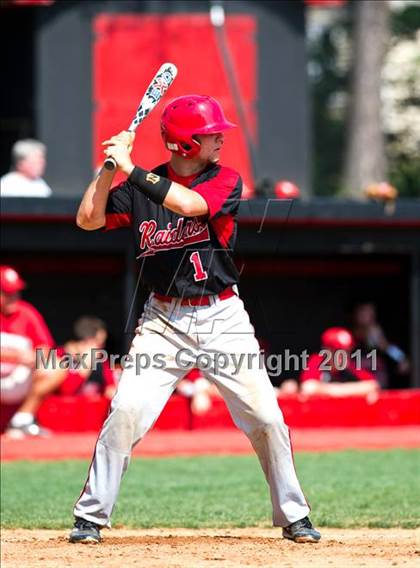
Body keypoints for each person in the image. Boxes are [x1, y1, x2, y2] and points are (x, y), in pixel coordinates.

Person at [69, 94, 320, 545]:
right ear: (185, 143)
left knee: (265, 416)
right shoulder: (137, 185)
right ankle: (90, 517)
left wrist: (131, 167)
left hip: (222, 315)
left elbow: (188, 206)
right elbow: (87, 220)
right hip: (162, 320)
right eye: (210, 134)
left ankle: (294, 515)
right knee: (125, 410)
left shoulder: (225, 178)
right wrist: (110, 166)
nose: (220, 138)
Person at [0, 265, 55, 436]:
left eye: (15, 292)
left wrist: (35, 356)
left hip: (19, 378)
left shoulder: (26, 312)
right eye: (7, 293)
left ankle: (21, 420)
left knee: (54, 366)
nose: (13, 297)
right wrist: (15, 356)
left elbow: (46, 348)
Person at [300, 327, 380, 398]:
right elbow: (308, 388)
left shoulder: (349, 365)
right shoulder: (317, 360)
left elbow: (372, 385)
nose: (344, 356)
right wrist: (350, 390)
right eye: (338, 351)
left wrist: (334, 390)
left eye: (347, 351)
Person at [54, 316, 117, 399]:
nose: (101, 348)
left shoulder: (101, 360)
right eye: (99, 344)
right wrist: (86, 364)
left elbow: (111, 388)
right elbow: (66, 391)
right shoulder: (57, 355)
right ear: (86, 341)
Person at [352, 302, 410, 388]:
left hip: (375, 379)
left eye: (369, 313)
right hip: (355, 377)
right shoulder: (350, 333)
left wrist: (400, 358)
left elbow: (387, 347)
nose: (365, 316)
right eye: (362, 312)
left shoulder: (375, 333)